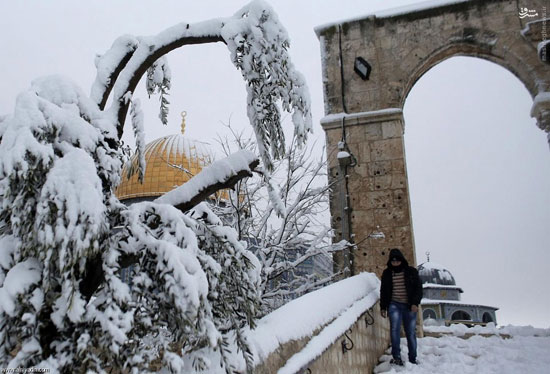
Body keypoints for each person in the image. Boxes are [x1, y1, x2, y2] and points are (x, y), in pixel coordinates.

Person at [380, 248, 423, 366]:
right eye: (393, 262)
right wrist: (383, 307)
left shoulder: (411, 272)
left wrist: (415, 303)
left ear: (401, 261)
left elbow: (418, 289)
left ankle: (413, 358)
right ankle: (396, 357)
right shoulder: (387, 273)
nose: (395, 263)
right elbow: (383, 291)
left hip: (409, 305)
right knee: (394, 330)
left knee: (410, 332)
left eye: (397, 261)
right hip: (394, 304)